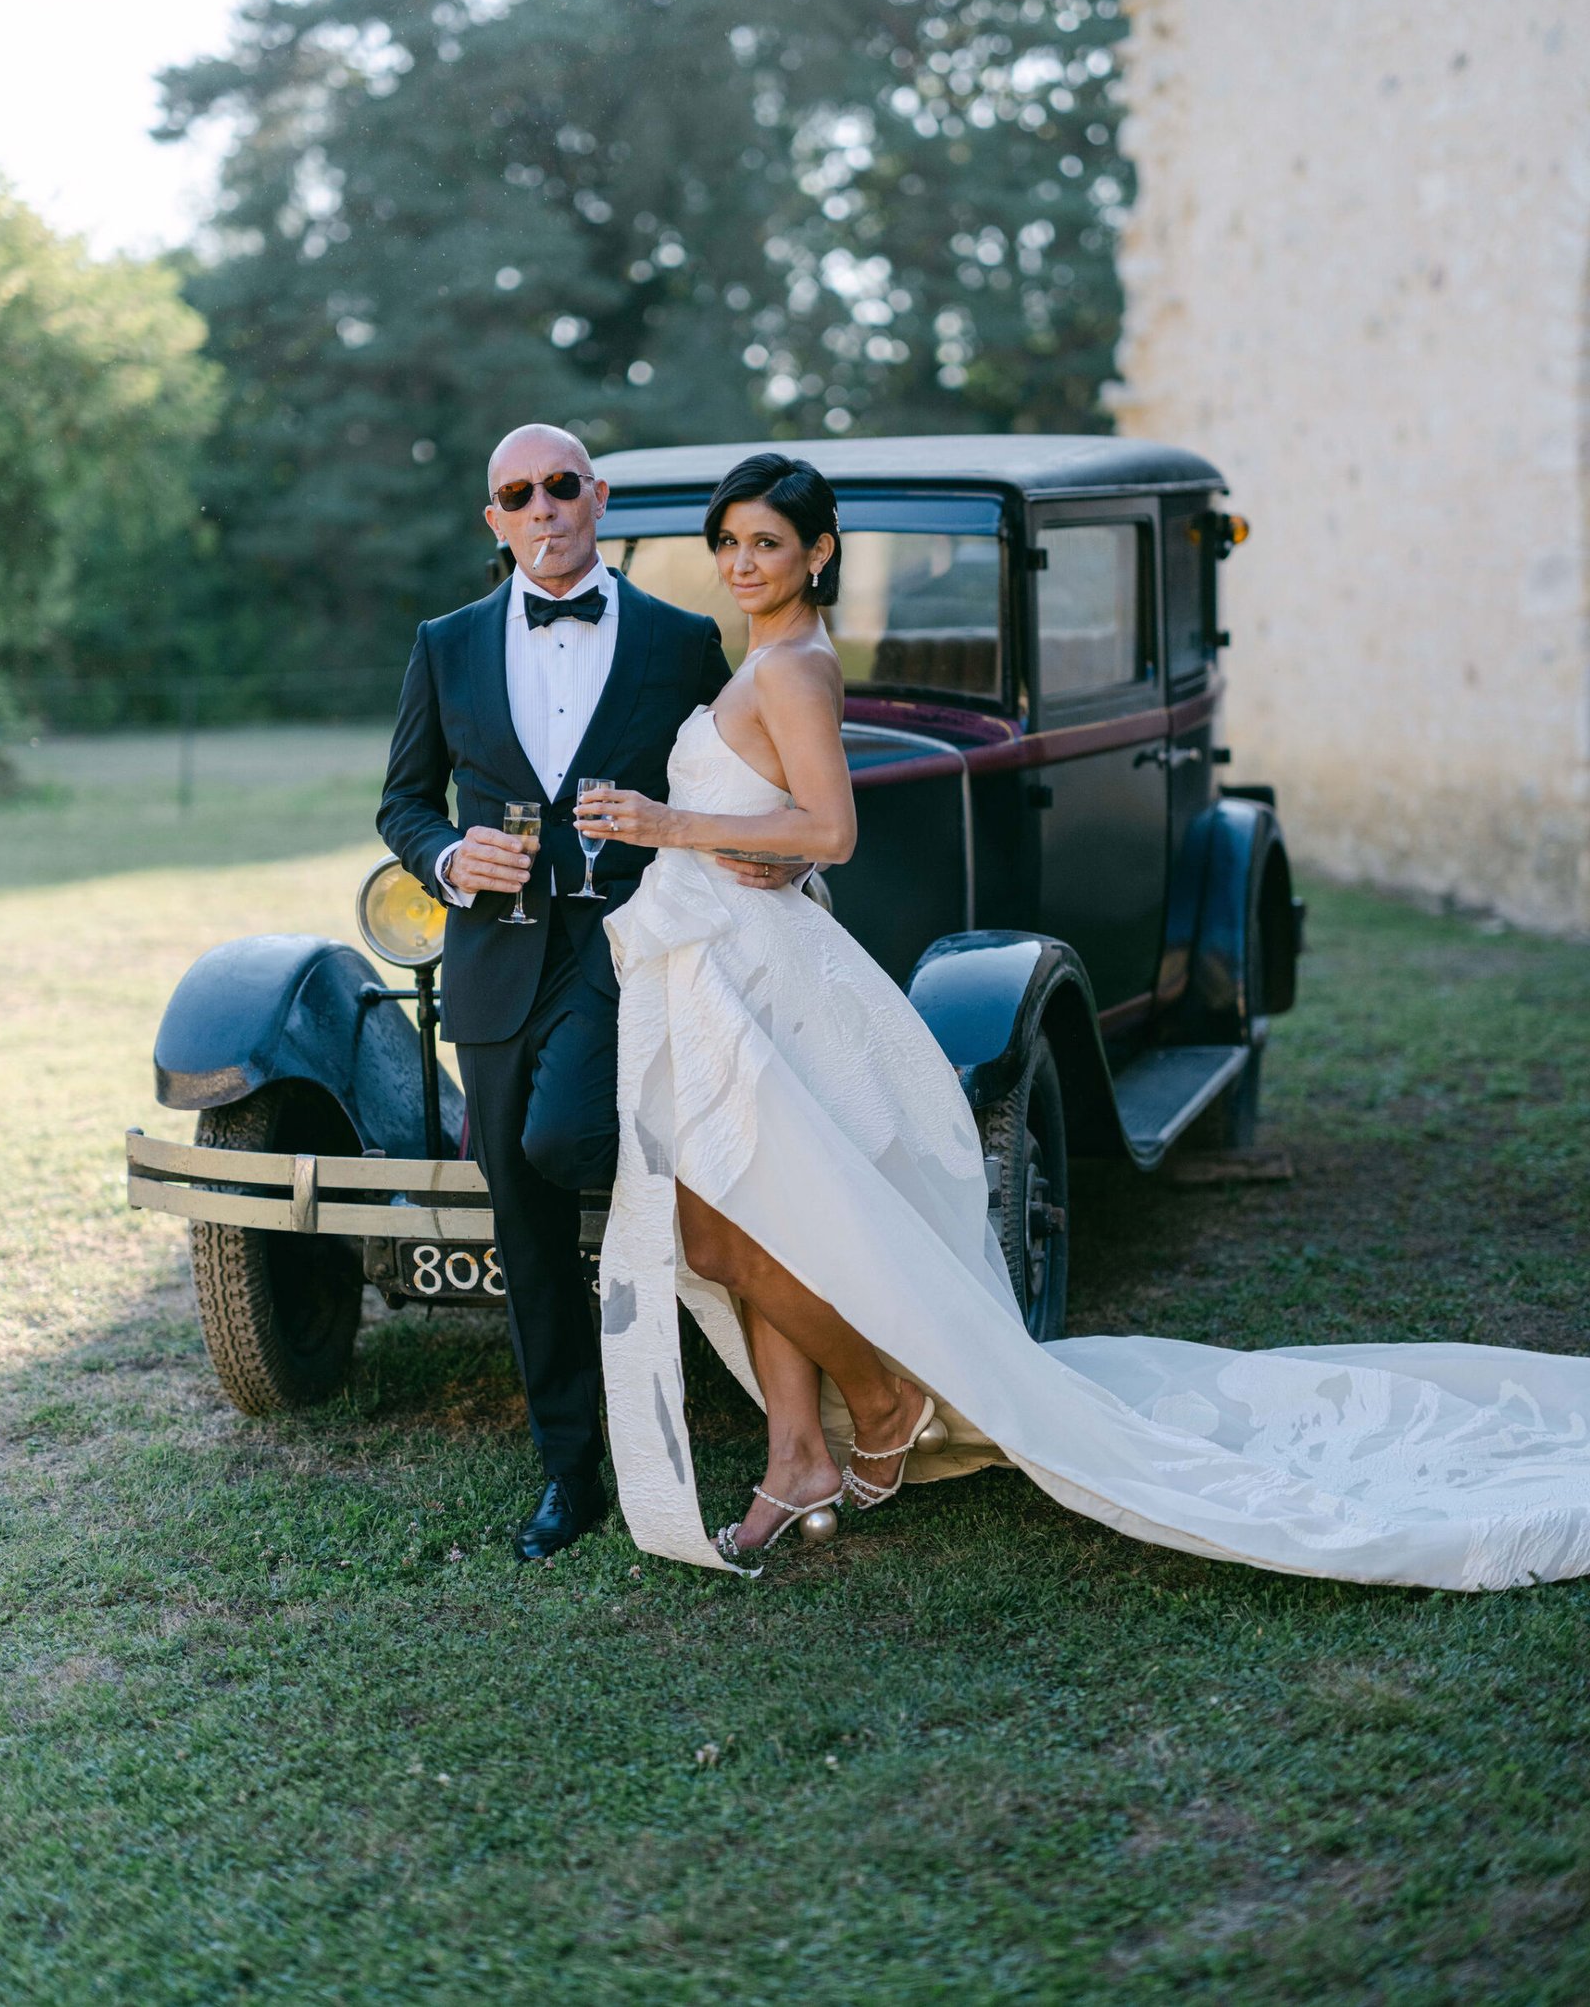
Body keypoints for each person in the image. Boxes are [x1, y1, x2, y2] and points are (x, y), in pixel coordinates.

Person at [581, 451, 1590, 1590]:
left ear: (817, 553)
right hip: (727, 962)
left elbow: (832, 831)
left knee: (724, 1233)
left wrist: (667, 823)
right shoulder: (767, 659)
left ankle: (879, 1399)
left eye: (766, 543)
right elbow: (783, 827)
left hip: (755, 970)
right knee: (752, 1223)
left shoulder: (797, 667)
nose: (741, 563)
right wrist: (721, 840)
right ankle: (798, 1456)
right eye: (726, 543)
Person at [377, 424, 803, 1563]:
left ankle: (675, 1281)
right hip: (492, 957)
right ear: (495, 519)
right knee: (519, 1218)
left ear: (596, 497)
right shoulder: (445, 644)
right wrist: (447, 855)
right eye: (517, 494)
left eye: (560, 485)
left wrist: (771, 849)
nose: (543, 508)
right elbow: (402, 799)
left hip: (624, 950)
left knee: (564, 1137)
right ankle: (569, 1473)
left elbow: (739, 775)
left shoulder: (679, 639)